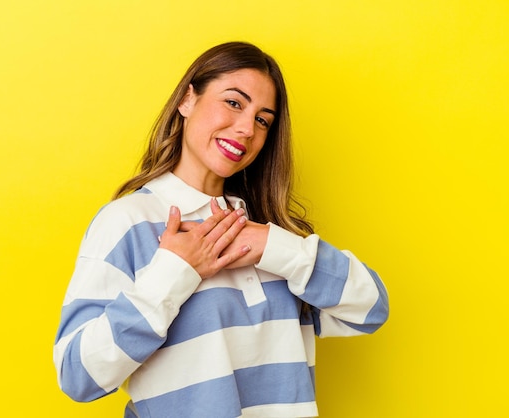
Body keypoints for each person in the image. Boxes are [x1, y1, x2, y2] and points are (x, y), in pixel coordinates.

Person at [53, 41, 389, 418]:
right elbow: (78, 376)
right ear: (187, 99)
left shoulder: (270, 233)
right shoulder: (128, 221)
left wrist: (276, 247)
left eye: (263, 120)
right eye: (233, 102)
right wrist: (174, 272)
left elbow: (370, 310)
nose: (247, 129)